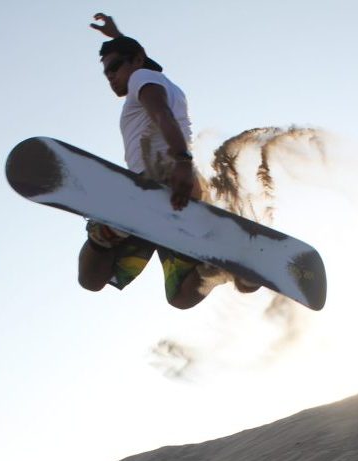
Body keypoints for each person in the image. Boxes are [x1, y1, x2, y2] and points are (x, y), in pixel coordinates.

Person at [80, 13, 258, 309]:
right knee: (180, 296)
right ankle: (226, 267)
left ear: (137, 60)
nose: (110, 76)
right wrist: (117, 37)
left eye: (114, 67)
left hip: (155, 184)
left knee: (90, 277)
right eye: (106, 72)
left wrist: (182, 162)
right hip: (181, 197)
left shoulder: (140, 79)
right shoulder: (154, 78)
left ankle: (110, 231)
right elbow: (145, 64)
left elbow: (161, 113)